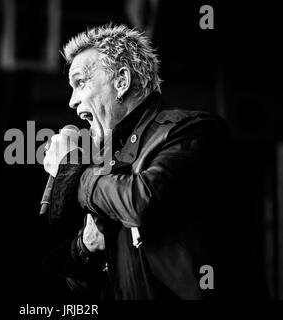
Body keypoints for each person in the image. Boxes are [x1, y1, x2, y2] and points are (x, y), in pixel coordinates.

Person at [41, 24, 268, 300]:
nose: (72, 101)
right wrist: (86, 247)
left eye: (80, 83)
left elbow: (141, 202)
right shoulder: (104, 164)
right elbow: (86, 286)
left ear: (122, 81)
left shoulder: (193, 130)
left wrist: (71, 171)